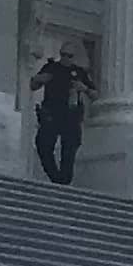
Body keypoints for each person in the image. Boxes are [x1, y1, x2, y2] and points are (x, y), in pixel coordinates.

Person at [30, 41, 93, 184]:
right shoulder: (51, 67)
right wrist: (39, 79)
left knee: (69, 151)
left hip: (71, 115)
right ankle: (56, 178)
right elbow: (33, 85)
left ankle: (64, 181)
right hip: (51, 114)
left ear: (74, 57)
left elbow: (94, 94)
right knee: (43, 145)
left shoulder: (80, 72)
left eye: (69, 56)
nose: (65, 58)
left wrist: (83, 88)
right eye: (63, 54)